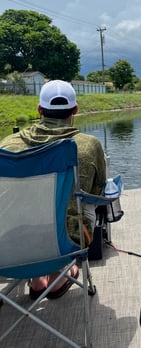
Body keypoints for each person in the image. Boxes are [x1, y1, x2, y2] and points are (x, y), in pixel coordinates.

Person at [0, 80, 107, 299]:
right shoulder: (88, 144)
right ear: (75, 110)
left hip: (10, 239)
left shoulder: (7, 145)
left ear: (39, 109)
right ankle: (59, 274)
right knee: (84, 204)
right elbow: (97, 193)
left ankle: (38, 280)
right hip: (66, 241)